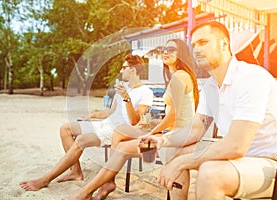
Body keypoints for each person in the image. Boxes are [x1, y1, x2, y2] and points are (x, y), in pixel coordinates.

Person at [142, 21, 277, 199]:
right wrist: (162, 139)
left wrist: (181, 162)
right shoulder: (211, 86)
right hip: (243, 161)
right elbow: (196, 130)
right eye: (194, 45)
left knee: (210, 173)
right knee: (174, 150)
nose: (196, 49)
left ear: (224, 44)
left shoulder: (251, 77)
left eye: (203, 42)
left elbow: (236, 146)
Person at [66, 38, 200, 200]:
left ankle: (89, 190)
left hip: (176, 138)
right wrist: (153, 125)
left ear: (182, 54)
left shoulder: (180, 75)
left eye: (171, 49)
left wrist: (152, 131)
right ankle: (103, 184)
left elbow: (174, 116)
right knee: (120, 133)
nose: (166, 52)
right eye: (165, 49)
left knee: (122, 146)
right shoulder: (177, 76)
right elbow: (174, 115)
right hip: (171, 133)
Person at [19, 54, 154, 191]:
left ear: (133, 70)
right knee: (65, 128)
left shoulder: (146, 92)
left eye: (124, 67)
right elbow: (111, 112)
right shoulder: (123, 87)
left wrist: (127, 98)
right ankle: (76, 172)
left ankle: (45, 180)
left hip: (119, 130)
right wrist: (93, 115)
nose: (120, 71)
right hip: (105, 124)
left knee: (81, 140)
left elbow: (135, 120)